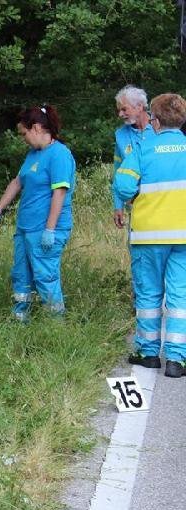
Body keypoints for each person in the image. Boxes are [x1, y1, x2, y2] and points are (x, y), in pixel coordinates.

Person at [113, 93, 186, 378]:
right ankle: (177, 360)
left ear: (154, 120)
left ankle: (148, 353)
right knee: (181, 296)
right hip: (183, 237)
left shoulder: (143, 148)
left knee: (149, 295)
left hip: (148, 236)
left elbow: (123, 185)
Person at [0, 105, 76, 322]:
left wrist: (50, 229)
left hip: (45, 229)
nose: (23, 138)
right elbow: (17, 182)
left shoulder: (59, 154)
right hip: (25, 228)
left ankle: (56, 324)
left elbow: (59, 193)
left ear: (36, 128)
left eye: (24, 133)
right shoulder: (33, 155)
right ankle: (20, 317)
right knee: (21, 275)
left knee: (45, 276)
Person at [112, 85, 153, 229]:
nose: (120, 114)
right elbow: (118, 172)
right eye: (119, 110)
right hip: (135, 206)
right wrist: (118, 206)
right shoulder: (120, 136)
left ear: (140, 106)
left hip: (162, 201)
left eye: (124, 109)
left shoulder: (161, 127)